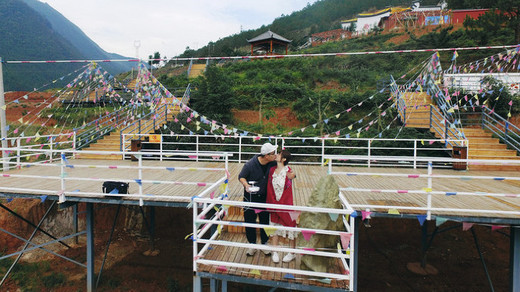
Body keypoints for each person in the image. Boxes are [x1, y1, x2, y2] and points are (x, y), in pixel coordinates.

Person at [238, 142, 294, 256]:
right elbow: (241, 177)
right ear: (266, 155)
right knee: (250, 221)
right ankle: (252, 245)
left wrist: (293, 174)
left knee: (265, 221)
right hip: (250, 197)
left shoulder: (272, 163)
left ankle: (264, 243)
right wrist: (246, 185)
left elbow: (286, 168)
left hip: (265, 197)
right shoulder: (250, 165)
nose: (275, 155)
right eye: (273, 153)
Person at [266, 150, 297, 263]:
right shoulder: (272, 170)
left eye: (279, 154)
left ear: (284, 159)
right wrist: (272, 202)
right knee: (274, 227)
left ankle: (292, 253)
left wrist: (282, 204)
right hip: (274, 203)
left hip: (285, 204)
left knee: (291, 227)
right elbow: (269, 187)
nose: (277, 155)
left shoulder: (288, 171)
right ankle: (275, 251)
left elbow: (288, 189)